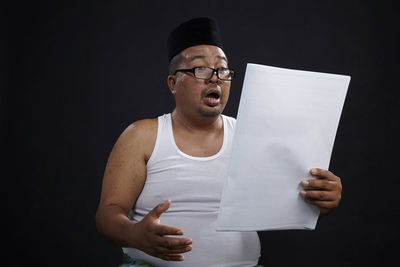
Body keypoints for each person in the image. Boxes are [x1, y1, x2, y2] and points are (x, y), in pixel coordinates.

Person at [95, 17, 342, 267]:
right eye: (200, 68)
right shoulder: (142, 135)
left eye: (222, 70)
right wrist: (134, 235)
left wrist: (320, 203)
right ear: (173, 83)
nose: (215, 78)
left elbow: (285, 206)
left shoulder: (250, 135)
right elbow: (108, 213)